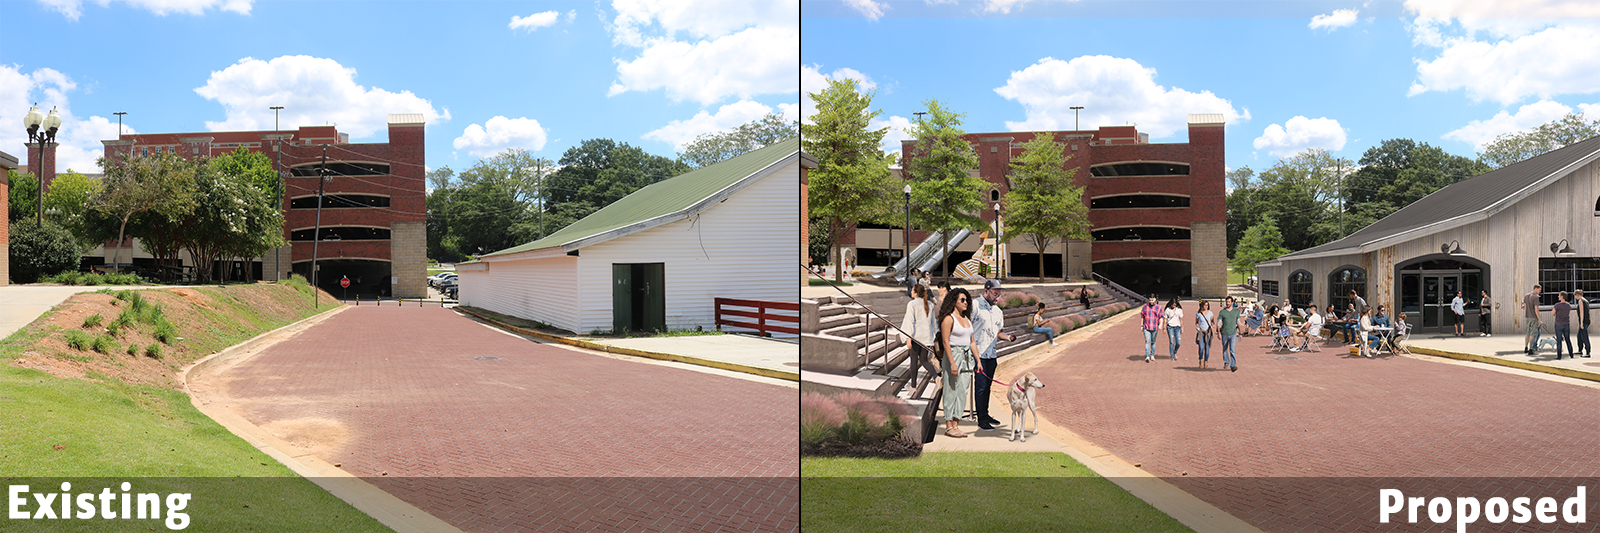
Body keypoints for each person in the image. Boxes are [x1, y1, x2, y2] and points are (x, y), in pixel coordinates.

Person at [972, 279, 1017, 431]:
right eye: (995, 294)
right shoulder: (975, 306)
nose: (998, 297)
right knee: (981, 387)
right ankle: (981, 419)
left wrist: (1008, 337)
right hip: (978, 354)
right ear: (986, 291)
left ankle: (985, 414)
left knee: (988, 387)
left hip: (991, 355)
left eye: (999, 294)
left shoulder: (998, 311)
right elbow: (967, 328)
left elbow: (999, 333)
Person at [937, 288, 977, 438]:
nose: (966, 302)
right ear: (954, 301)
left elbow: (972, 342)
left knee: (962, 392)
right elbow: (946, 342)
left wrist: (978, 361)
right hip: (953, 355)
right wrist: (953, 363)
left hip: (967, 357)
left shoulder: (968, 319)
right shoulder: (948, 319)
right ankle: (948, 425)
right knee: (950, 390)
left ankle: (956, 424)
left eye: (967, 300)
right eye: (962, 300)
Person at [899, 284, 938, 379]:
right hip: (926, 337)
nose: (911, 292)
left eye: (912, 290)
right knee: (924, 361)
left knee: (913, 361)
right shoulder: (930, 304)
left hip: (915, 337)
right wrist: (933, 338)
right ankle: (936, 377)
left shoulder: (912, 304)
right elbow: (933, 323)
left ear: (916, 293)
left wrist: (908, 338)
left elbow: (910, 322)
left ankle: (913, 385)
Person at [1217, 296, 1240, 372]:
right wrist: (1219, 333)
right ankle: (1226, 362)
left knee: (1232, 350)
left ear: (1232, 303)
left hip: (1233, 333)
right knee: (1225, 349)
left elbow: (1238, 322)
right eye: (1227, 302)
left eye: (1229, 302)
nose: (1227, 303)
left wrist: (1240, 333)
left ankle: (1233, 365)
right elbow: (1219, 323)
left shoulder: (1236, 312)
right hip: (1224, 333)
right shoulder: (1222, 312)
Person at [1140, 294, 1163, 363]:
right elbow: (1142, 316)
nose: (1151, 301)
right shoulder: (1145, 306)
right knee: (1147, 341)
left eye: (1152, 300)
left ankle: (1152, 355)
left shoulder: (1158, 307)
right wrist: (1141, 325)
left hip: (1154, 327)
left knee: (1153, 342)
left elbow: (1161, 317)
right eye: (1150, 300)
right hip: (1146, 327)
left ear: (1155, 299)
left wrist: (1161, 324)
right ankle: (1147, 356)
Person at [1553, 290, 1575, 360]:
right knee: (1567, 339)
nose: (1558, 296)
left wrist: (1556, 314)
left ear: (1562, 297)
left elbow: (1552, 313)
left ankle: (1559, 356)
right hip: (1566, 324)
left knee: (1559, 341)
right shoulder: (1568, 305)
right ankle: (1571, 354)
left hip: (1558, 324)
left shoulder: (1557, 305)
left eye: (1559, 295)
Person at [1195, 300, 1213, 368]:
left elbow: (1212, 321)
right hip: (1201, 332)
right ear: (1202, 306)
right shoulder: (1198, 313)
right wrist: (1197, 327)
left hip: (1207, 332)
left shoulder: (1210, 313)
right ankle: (1201, 360)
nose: (1206, 307)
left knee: (1207, 348)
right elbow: (1196, 322)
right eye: (1204, 305)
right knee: (1201, 347)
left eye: (1207, 305)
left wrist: (1212, 325)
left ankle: (1206, 362)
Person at [1525, 284, 1543, 355]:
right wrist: (1539, 319)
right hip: (1533, 317)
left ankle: (1525, 347)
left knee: (1527, 333)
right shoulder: (1535, 297)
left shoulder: (1526, 295)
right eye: (1539, 290)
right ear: (1536, 288)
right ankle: (1531, 349)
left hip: (1527, 317)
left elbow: (1525, 306)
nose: (1540, 291)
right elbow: (1536, 309)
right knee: (1533, 334)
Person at [1577, 289, 1592, 357]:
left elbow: (1581, 312)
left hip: (1584, 321)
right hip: (1587, 320)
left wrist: (1581, 323)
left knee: (1584, 336)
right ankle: (1580, 350)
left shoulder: (1580, 301)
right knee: (1579, 336)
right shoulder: (1585, 300)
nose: (1575, 297)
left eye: (1575, 296)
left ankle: (1588, 352)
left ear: (1577, 295)